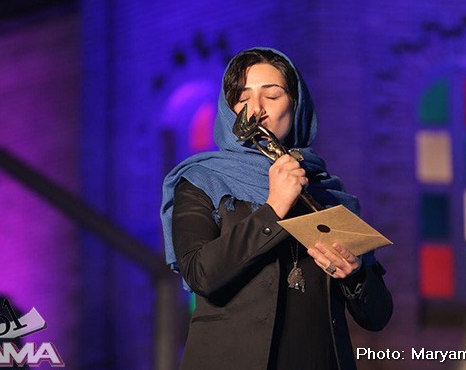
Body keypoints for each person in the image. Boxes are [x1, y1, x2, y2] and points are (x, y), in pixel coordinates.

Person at [160, 47, 392, 370]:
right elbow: (202, 274)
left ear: (295, 105)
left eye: (271, 95)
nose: (256, 109)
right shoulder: (203, 181)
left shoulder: (326, 192)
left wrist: (355, 274)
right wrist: (274, 207)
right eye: (242, 98)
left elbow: (377, 315)